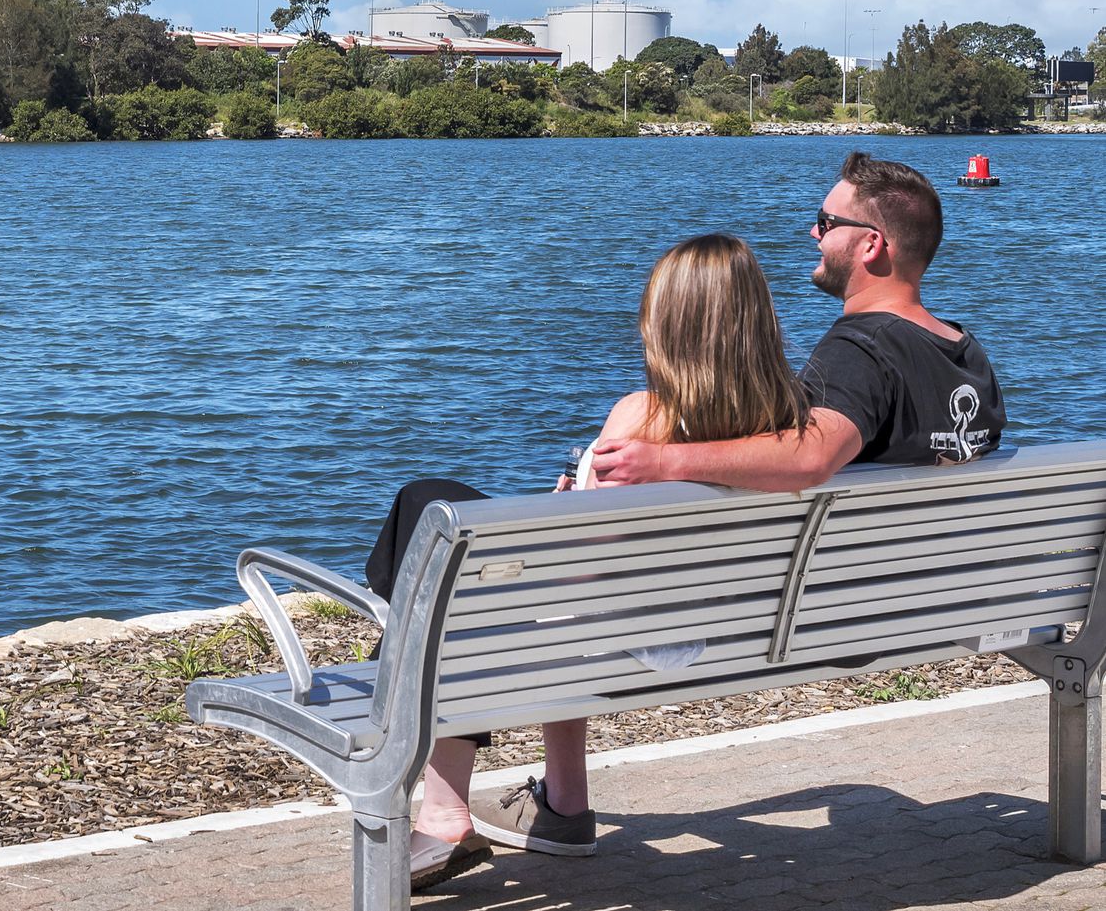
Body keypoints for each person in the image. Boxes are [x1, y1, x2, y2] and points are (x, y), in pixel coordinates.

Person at [385, 152, 1005, 885]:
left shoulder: (859, 351)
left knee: (435, 523)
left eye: (826, 221)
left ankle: (446, 810)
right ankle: (560, 801)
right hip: (890, 606)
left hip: (714, 624)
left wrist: (656, 463)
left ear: (872, 243)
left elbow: (811, 458)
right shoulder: (964, 355)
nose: (813, 233)